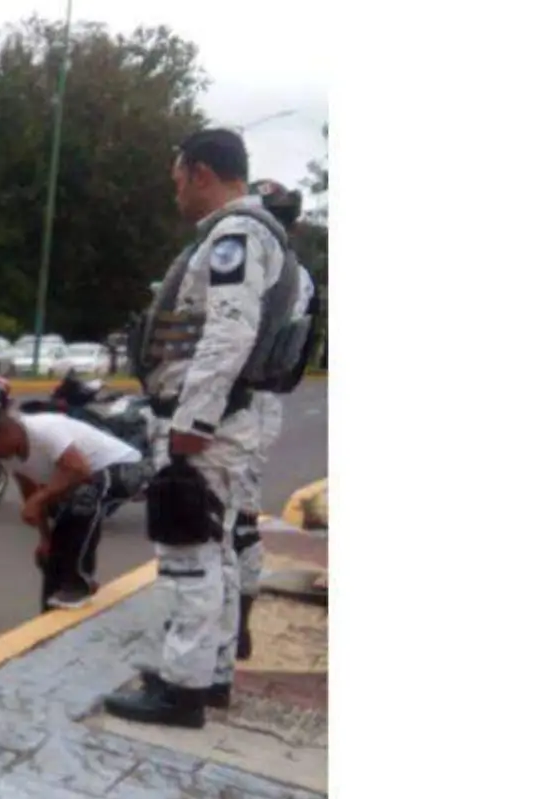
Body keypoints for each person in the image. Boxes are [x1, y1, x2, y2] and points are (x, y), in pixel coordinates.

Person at [105, 127, 299, 729]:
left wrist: (192, 420)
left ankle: (182, 691)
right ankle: (208, 676)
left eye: (177, 180)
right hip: (227, 421)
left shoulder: (234, 236)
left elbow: (229, 332)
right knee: (211, 550)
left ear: (199, 173)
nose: (176, 192)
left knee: (188, 552)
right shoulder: (257, 236)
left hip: (207, 427)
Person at [232, 179, 317, 660]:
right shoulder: (298, 272)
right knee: (238, 516)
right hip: (264, 401)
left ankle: (228, 630)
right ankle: (235, 626)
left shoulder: (265, 264)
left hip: (245, 399)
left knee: (226, 521)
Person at [0, 401, 147, 611]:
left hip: (128, 469)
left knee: (83, 496)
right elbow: (30, 491)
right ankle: (54, 601)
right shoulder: (9, 456)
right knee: (55, 544)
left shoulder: (42, 430)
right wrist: (45, 538)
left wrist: (39, 499)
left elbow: (79, 469)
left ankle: (79, 584)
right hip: (90, 479)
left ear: (6, 431)